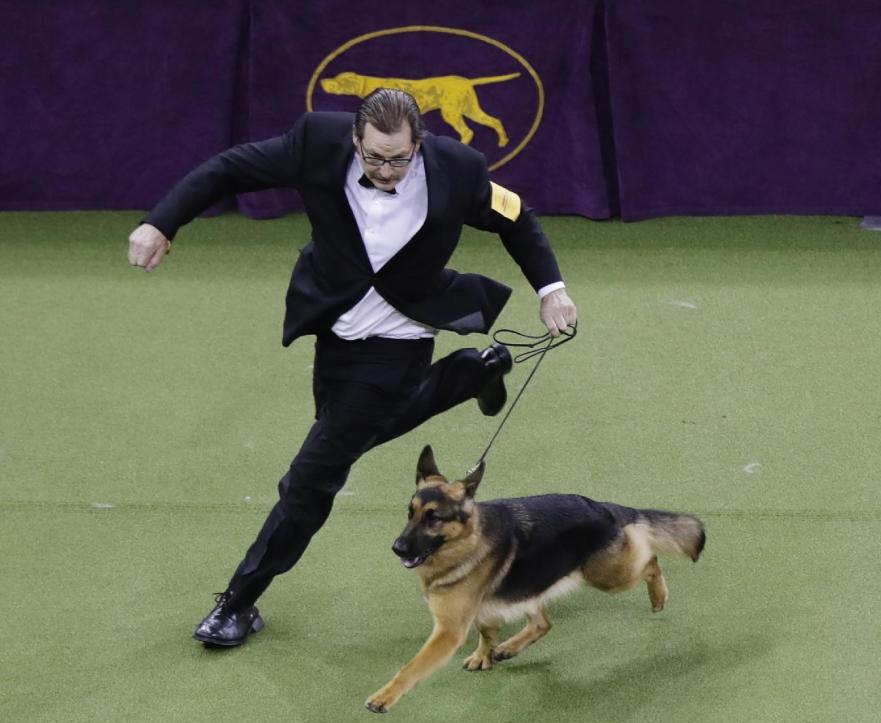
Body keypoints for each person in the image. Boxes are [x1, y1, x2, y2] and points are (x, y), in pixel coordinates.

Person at [127, 88, 577, 647]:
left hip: (400, 338)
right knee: (347, 431)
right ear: (354, 140)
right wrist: (162, 223)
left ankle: (239, 600)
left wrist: (550, 289)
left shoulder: (459, 169)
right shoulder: (315, 143)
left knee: (312, 477)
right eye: (374, 157)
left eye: (400, 158)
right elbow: (228, 169)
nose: (386, 170)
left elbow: (517, 219)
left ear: (420, 142)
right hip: (334, 330)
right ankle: (468, 373)